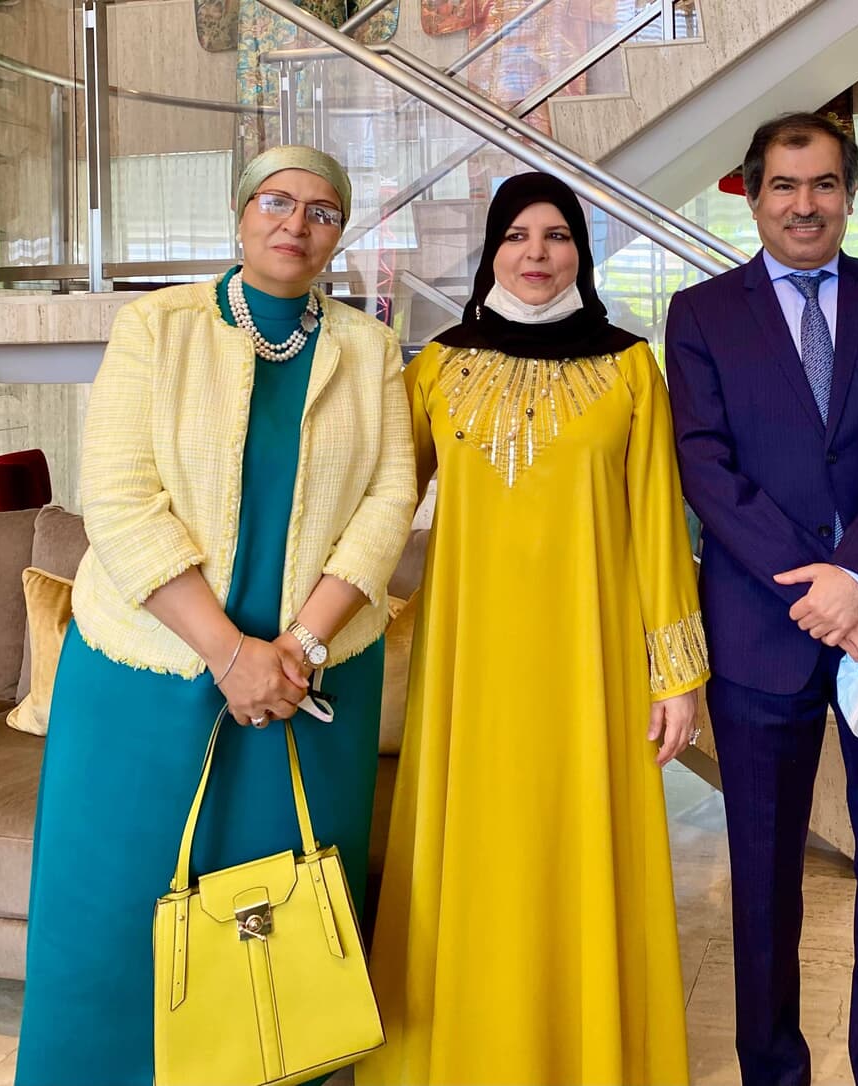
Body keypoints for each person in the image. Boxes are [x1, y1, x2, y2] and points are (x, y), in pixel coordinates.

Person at [15, 145, 416, 1086]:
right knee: (115, 912)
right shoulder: (156, 326)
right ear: (240, 215)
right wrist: (231, 654)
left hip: (309, 685)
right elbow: (118, 500)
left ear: (338, 235)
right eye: (276, 201)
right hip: (144, 674)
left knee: (282, 929)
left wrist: (298, 647)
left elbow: (389, 501)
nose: (296, 223)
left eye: (322, 211)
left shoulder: (370, 348)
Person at [360, 172, 708, 1085]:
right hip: (469, 669)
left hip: (592, 665)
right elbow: (379, 502)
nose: (537, 254)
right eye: (517, 236)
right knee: (477, 858)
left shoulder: (630, 369)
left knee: (578, 852)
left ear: (581, 253)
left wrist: (677, 675)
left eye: (557, 236)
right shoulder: (438, 368)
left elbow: (658, 526)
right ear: (492, 251)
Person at [665, 113, 858, 1086]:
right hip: (761, 636)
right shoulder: (701, 314)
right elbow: (706, 470)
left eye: (824, 184)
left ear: (849, 194)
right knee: (761, 880)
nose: (805, 205)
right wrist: (821, 591)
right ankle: (772, 1070)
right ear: (753, 197)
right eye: (785, 186)